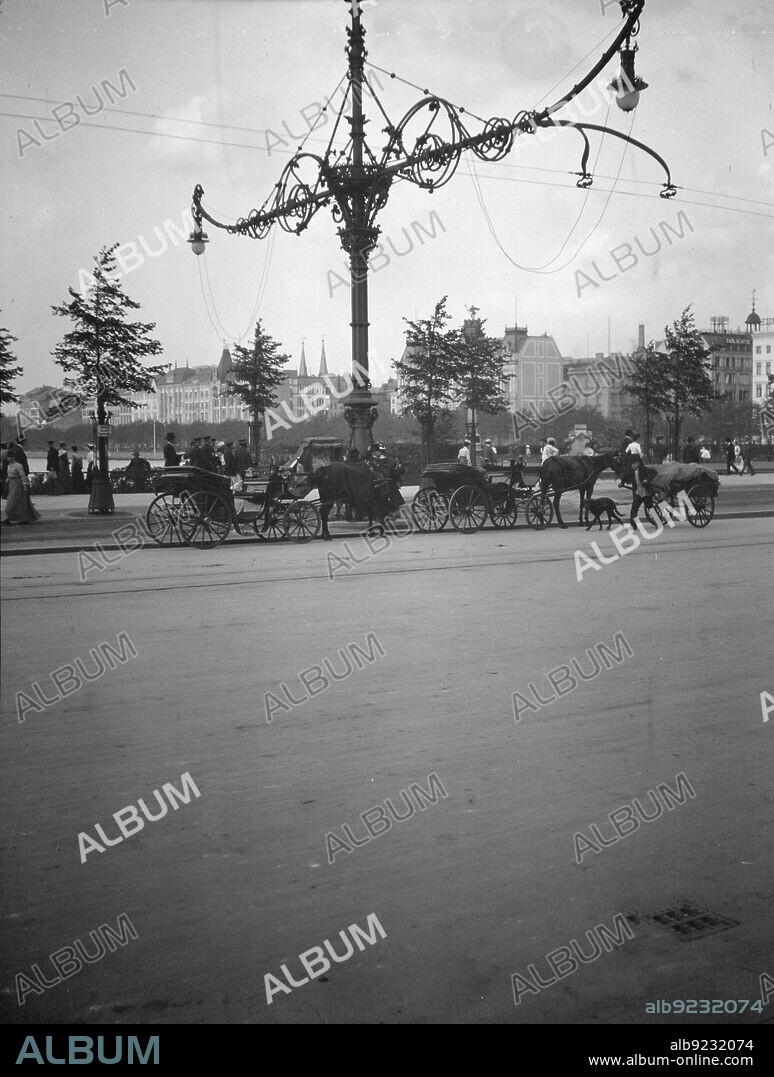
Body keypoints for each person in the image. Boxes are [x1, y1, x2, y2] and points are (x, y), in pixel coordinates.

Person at [2, 448, 40, 524]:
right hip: (11, 484)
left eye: (11, 456)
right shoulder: (9, 466)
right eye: (9, 457)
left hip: (18, 484)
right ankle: (10, 517)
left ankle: (23, 518)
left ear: (14, 457)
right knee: (11, 502)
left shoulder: (18, 466)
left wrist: (25, 485)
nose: (10, 458)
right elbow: (8, 476)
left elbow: (23, 476)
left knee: (18, 502)